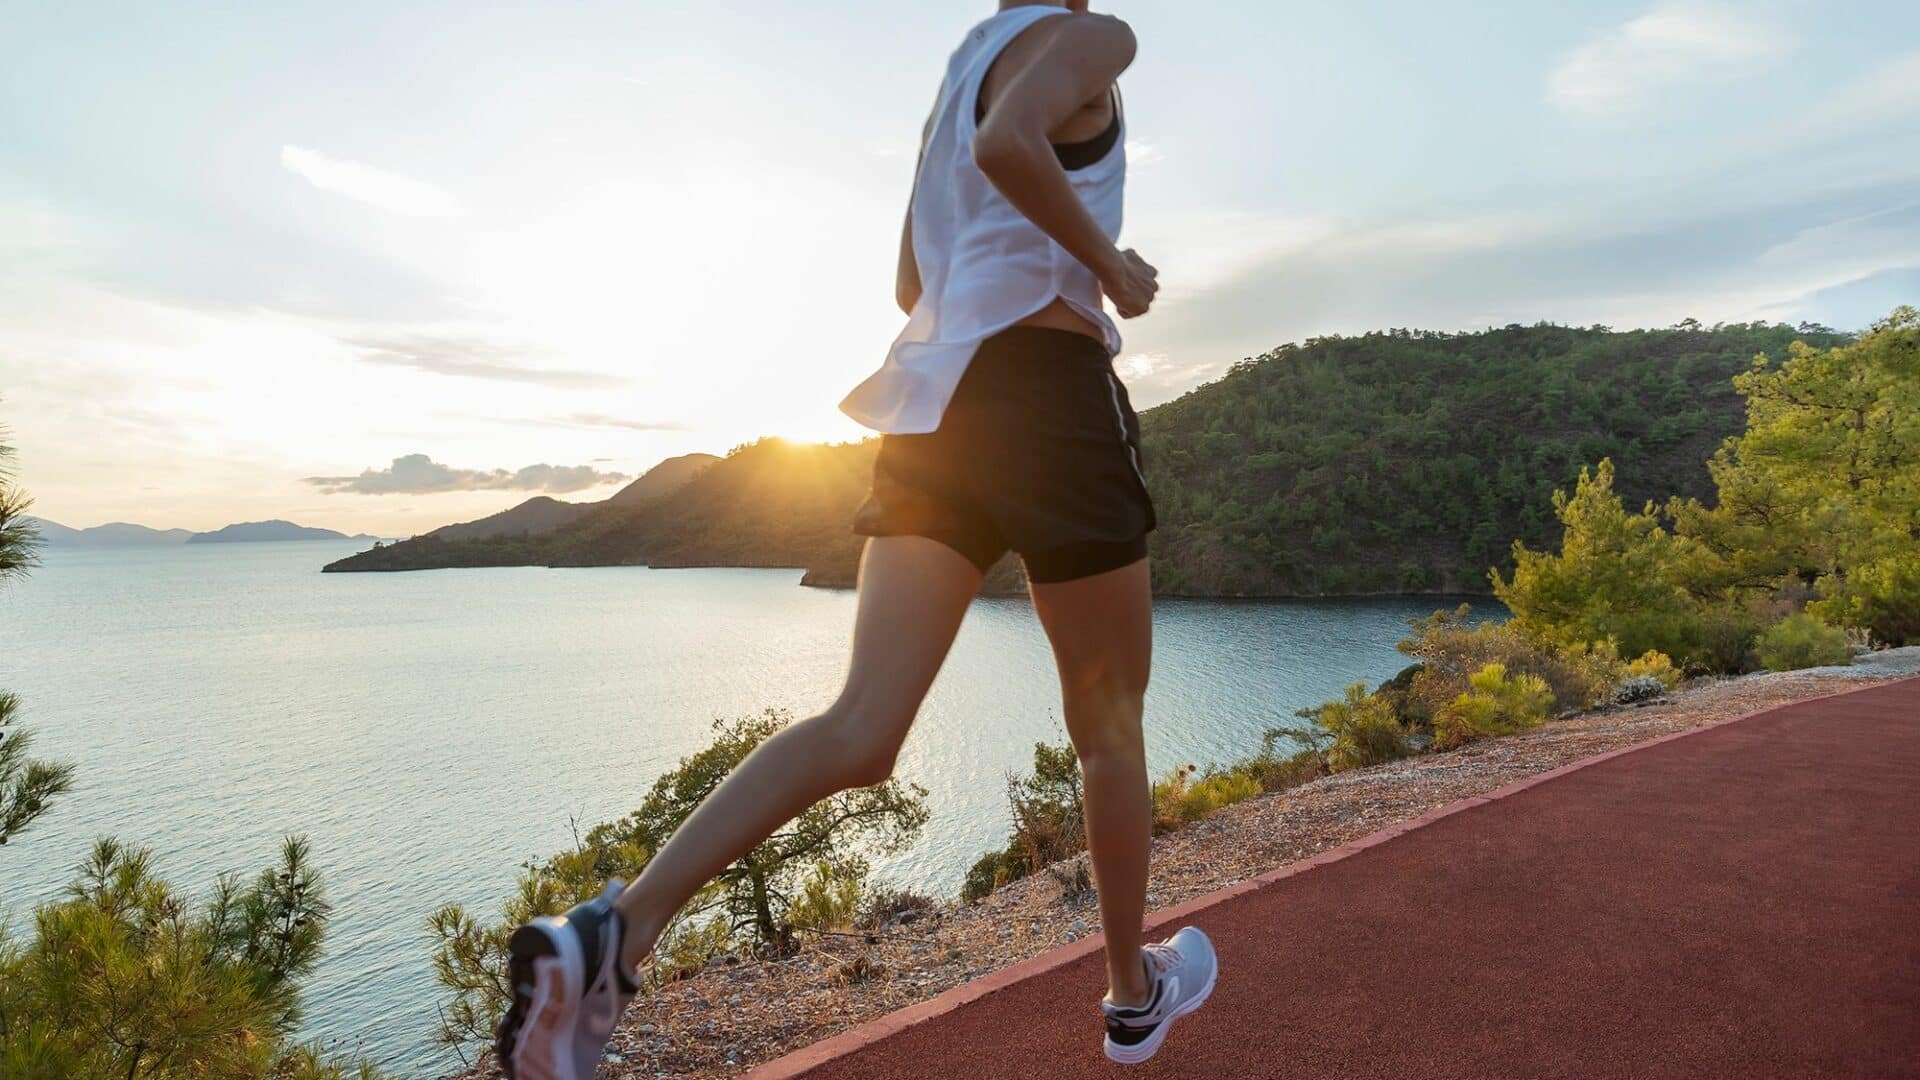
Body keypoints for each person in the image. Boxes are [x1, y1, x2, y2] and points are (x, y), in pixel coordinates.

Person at [493, 3, 1216, 1075]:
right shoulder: (1095, 37)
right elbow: (1011, 143)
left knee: (860, 725)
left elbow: (909, 285)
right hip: (1053, 402)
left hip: (941, 414)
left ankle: (616, 933)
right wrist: (1109, 265)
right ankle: (1128, 996)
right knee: (1109, 728)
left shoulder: (959, 68)